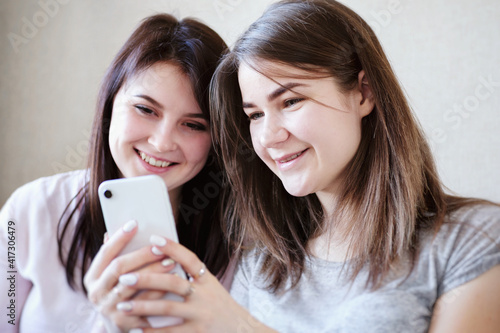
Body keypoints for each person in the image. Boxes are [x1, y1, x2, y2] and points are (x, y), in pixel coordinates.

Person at [100, 0, 500, 332]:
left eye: (290, 101)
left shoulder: (470, 242)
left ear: (363, 93)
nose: (269, 136)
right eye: (254, 115)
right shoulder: (261, 259)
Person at [0, 13, 233, 333]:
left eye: (193, 125)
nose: (162, 142)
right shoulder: (29, 209)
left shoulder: (241, 241)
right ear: (111, 103)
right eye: (146, 109)